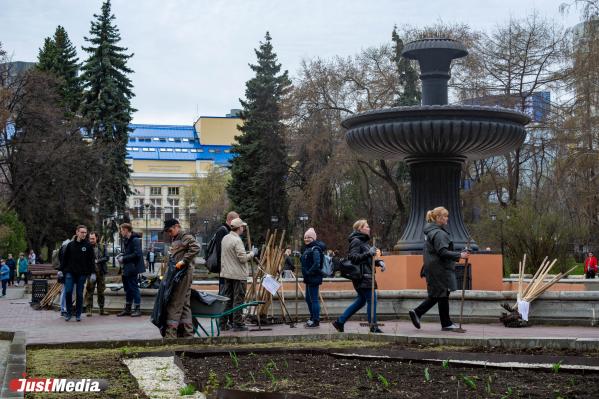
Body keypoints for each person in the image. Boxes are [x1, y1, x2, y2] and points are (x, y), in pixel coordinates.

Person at [408, 206, 469, 332]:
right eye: (445, 216)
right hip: (439, 268)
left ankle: (443, 322)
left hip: (433, 267)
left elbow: (439, 251)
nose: (447, 219)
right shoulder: (439, 233)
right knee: (440, 294)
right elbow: (442, 252)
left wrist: (458, 254)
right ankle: (420, 313)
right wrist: (460, 255)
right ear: (438, 218)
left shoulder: (431, 232)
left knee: (441, 294)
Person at [332, 220, 386, 333]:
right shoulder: (356, 241)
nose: (369, 228)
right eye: (367, 226)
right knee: (372, 299)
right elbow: (353, 257)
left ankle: (340, 322)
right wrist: (369, 253)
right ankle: (373, 326)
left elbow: (366, 260)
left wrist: (378, 262)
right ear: (360, 229)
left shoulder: (364, 242)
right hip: (362, 277)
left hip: (366, 275)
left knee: (361, 301)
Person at [163, 218, 201, 338]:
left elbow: (196, 247)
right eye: (167, 232)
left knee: (175, 303)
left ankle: (171, 334)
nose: (169, 234)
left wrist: (184, 261)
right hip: (179, 274)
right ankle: (188, 334)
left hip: (183, 275)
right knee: (184, 304)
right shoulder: (176, 238)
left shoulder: (185, 236)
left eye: (170, 231)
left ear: (177, 226)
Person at [220, 217, 257, 332]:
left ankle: (222, 323)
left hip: (227, 274)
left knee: (227, 299)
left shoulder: (225, 238)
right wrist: (252, 253)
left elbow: (232, 255)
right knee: (238, 300)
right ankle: (238, 323)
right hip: (238, 275)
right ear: (239, 228)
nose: (243, 229)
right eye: (242, 227)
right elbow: (242, 258)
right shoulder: (237, 240)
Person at [58, 225, 95, 321]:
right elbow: (64, 259)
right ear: (77, 232)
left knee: (79, 293)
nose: (84, 234)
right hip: (70, 272)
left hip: (82, 273)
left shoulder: (88, 246)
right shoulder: (70, 245)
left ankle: (78, 314)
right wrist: (60, 270)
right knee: (68, 291)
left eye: (85, 232)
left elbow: (91, 260)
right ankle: (69, 313)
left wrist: (92, 273)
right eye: (82, 232)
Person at [116, 223, 145, 317]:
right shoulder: (127, 240)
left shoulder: (135, 240)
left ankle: (137, 309)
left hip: (133, 268)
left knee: (134, 288)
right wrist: (121, 255)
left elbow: (137, 254)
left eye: (121, 230)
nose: (120, 232)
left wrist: (124, 258)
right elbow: (129, 252)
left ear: (126, 230)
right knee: (128, 289)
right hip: (127, 268)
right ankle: (128, 309)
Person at [300, 228, 326, 328]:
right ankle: (312, 318)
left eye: (309, 237)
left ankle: (316, 320)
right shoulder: (308, 248)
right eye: (305, 237)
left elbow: (317, 263)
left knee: (313, 299)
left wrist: (308, 272)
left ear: (314, 238)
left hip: (313, 277)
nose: (306, 239)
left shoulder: (315, 248)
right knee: (308, 299)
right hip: (309, 278)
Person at [85, 232, 109, 316]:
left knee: (101, 292)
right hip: (90, 273)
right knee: (89, 291)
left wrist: (98, 261)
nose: (91, 240)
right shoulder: (86, 247)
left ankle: (101, 309)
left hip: (101, 273)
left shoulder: (102, 246)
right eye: (90, 238)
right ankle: (89, 310)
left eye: (93, 238)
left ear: (97, 238)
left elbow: (107, 257)